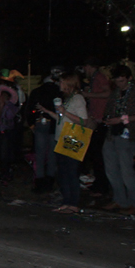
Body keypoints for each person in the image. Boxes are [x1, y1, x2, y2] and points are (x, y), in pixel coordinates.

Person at [37, 72, 88, 214]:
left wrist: (65, 112)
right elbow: (61, 119)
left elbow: (83, 120)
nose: (59, 85)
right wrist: (47, 111)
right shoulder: (67, 98)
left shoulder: (78, 99)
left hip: (72, 139)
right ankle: (66, 202)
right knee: (63, 172)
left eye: (61, 82)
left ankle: (73, 203)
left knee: (71, 172)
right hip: (61, 138)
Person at [101, 65, 135, 215]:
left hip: (127, 134)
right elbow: (108, 110)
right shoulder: (115, 93)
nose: (119, 84)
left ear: (129, 78)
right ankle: (120, 200)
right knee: (111, 169)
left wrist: (122, 119)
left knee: (126, 171)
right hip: (112, 134)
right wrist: (108, 119)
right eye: (117, 81)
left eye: (122, 81)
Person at [24, 69, 62, 194]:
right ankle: (49, 181)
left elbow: (29, 109)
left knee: (40, 154)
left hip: (41, 124)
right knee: (52, 154)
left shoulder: (37, 92)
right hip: (54, 125)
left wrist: (31, 124)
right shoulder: (58, 92)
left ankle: (39, 181)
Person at [80, 57, 111, 196]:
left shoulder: (99, 77)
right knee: (94, 155)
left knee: (98, 156)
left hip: (100, 121)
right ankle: (98, 184)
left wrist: (88, 94)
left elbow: (107, 93)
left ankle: (102, 187)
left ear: (88, 66)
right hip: (94, 119)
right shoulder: (93, 79)